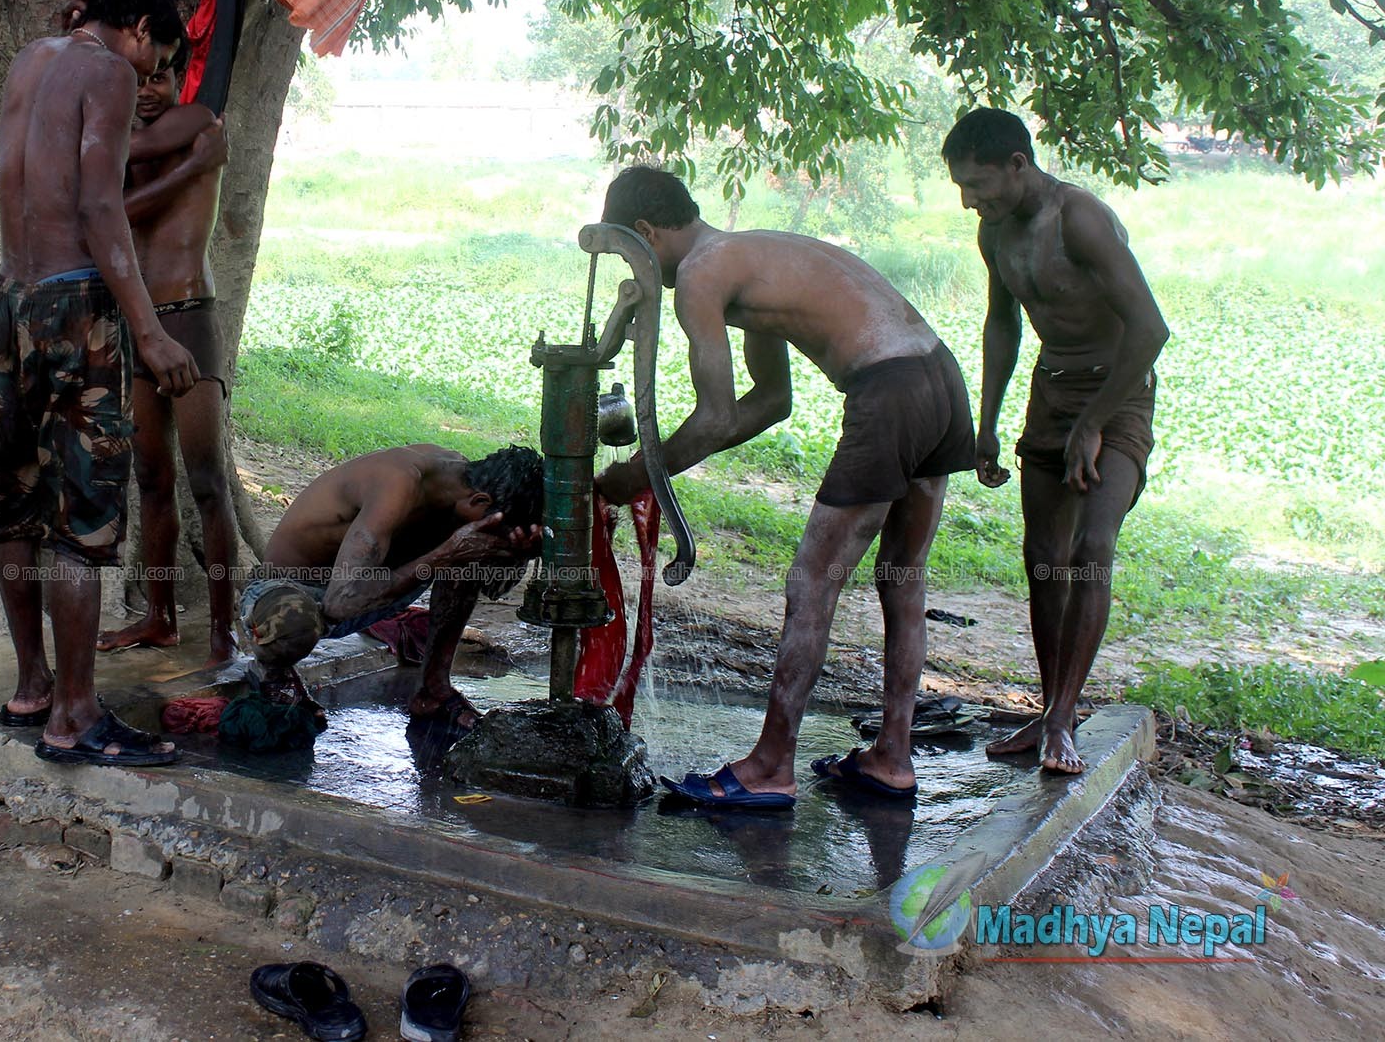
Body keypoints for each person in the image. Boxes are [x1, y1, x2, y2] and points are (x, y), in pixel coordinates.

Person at [592, 167, 974, 808]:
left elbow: (715, 417)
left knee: (812, 582)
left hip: (889, 391)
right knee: (902, 578)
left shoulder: (697, 277)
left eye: (625, 253)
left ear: (644, 233)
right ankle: (892, 757)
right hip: (939, 377)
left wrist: (632, 476)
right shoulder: (745, 257)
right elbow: (771, 402)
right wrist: (653, 466)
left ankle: (770, 766)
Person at [0, 0, 197, 768]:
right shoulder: (105, 68)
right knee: (82, 512)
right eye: (157, 58)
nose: (152, 79)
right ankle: (74, 716)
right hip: (76, 307)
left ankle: (31, 687)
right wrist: (150, 331)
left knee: (14, 505)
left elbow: (18, 177)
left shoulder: (31, 60)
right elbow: (100, 203)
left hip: (11, 300)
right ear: (138, 28)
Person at [943, 109, 1168, 775]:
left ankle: (1065, 718)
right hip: (1052, 391)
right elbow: (1002, 324)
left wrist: (1094, 423)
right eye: (961, 187)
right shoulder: (994, 232)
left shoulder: (1080, 220)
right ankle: (1052, 711)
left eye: (979, 184)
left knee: (1092, 547)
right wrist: (985, 421)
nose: (969, 200)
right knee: (1044, 555)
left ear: (1019, 164)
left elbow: (1150, 328)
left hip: (1118, 392)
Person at [94, 47, 240, 664]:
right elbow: (114, 217)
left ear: (180, 79)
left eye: (162, 77)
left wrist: (197, 162)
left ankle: (223, 628)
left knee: (207, 481)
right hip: (138, 325)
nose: (151, 89)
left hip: (189, 319)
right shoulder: (121, 150)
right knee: (151, 480)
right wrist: (189, 170)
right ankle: (159, 617)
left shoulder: (200, 128)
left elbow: (120, 212)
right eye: (140, 79)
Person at [241, 445, 543, 730]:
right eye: (497, 531)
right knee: (293, 620)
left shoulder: (464, 488)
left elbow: (494, 587)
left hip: (367, 591)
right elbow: (340, 603)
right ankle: (273, 672)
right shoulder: (398, 483)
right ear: (479, 502)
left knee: (469, 553)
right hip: (291, 592)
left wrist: (517, 551)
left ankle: (433, 689)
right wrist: (448, 552)